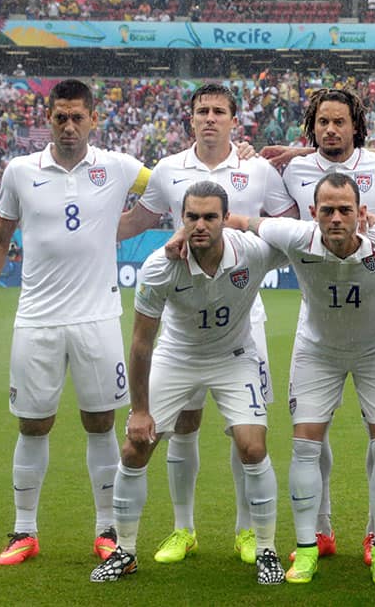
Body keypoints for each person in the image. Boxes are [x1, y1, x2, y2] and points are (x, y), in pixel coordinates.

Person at [0, 79, 150, 566]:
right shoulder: (20, 171)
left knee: (100, 422)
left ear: (94, 119)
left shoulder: (118, 166)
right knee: (33, 424)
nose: (69, 126)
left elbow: (171, 184)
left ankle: (105, 529)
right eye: (59, 117)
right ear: (48, 119)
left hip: (98, 318)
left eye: (77, 117)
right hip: (37, 320)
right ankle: (24, 531)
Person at [116, 83, 283, 566]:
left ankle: (247, 533)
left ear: (235, 119)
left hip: (242, 316)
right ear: (190, 119)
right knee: (183, 425)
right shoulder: (168, 169)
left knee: (245, 434)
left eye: (219, 111)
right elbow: (134, 222)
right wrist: (78, 232)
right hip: (185, 315)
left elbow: (287, 223)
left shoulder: (258, 169)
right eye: (201, 111)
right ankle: (183, 528)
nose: (210, 118)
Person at [90, 182, 287, 584]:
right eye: (192, 217)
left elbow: (297, 238)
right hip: (177, 357)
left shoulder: (251, 251)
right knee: (134, 448)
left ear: (225, 220)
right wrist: (141, 410)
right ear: (180, 219)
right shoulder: (160, 265)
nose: (200, 225)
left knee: (252, 444)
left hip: (234, 357)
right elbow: (142, 342)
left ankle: (266, 549)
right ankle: (125, 551)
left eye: (210, 217)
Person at [264, 87, 375, 565]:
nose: (331, 129)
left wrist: (374, 268)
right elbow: (287, 232)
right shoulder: (292, 168)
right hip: (319, 330)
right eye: (323, 122)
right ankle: (320, 533)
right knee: (311, 436)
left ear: (357, 127)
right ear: (312, 127)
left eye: (340, 122)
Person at [245, 172, 375, 585]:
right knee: (305, 445)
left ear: (361, 212)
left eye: (345, 210)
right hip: (318, 351)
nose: (336, 218)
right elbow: (241, 222)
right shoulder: (295, 235)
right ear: (312, 213)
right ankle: (307, 549)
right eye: (327, 210)